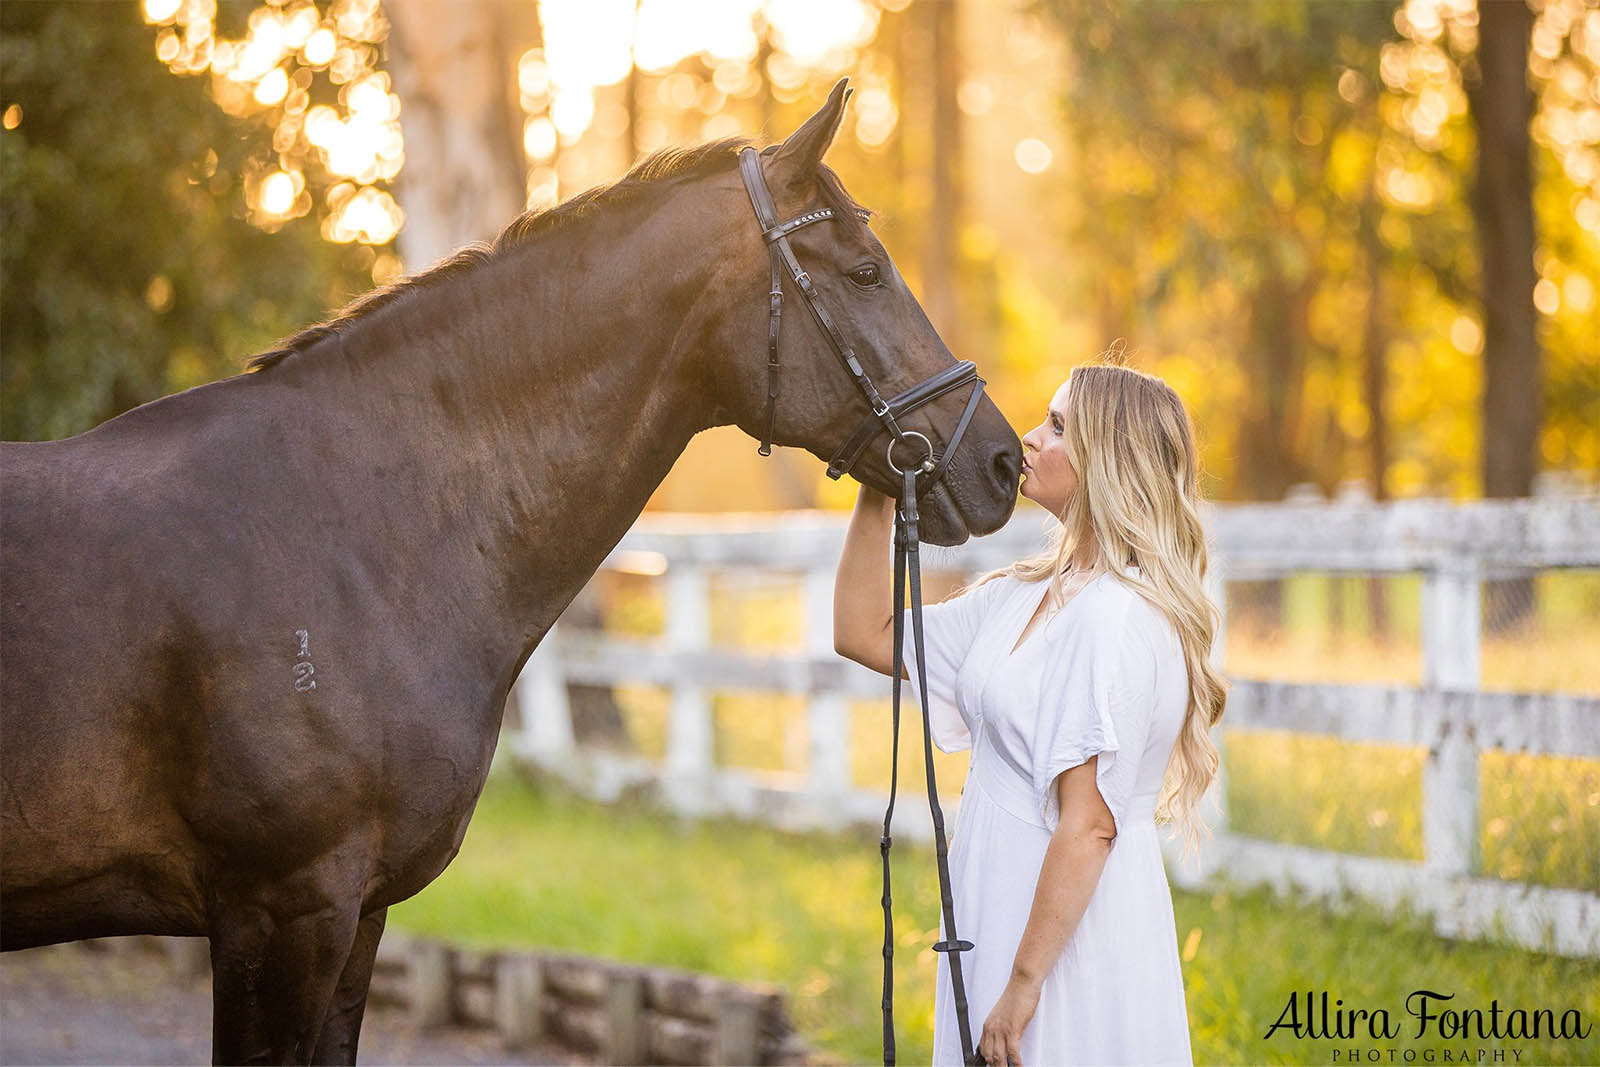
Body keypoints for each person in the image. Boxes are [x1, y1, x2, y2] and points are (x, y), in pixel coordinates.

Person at [833, 356, 1227, 1067]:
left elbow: (1091, 822)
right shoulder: (1028, 595)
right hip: (1000, 906)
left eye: (1057, 426)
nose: (1029, 438)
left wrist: (1021, 987)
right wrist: (877, 483)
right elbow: (865, 629)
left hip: (1066, 947)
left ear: (1110, 460)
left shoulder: (1116, 617)